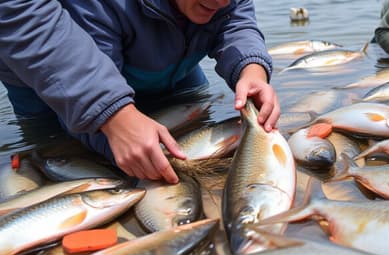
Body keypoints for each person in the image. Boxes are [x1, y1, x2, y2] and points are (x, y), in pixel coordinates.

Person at [0, 0, 278, 184]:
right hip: (47, 77)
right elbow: (23, 18)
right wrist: (111, 120)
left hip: (173, 65)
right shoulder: (97, 8)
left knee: (193, 111)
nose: (223, 2)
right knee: (52, 145)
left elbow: (236, 21)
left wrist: (252, 70)